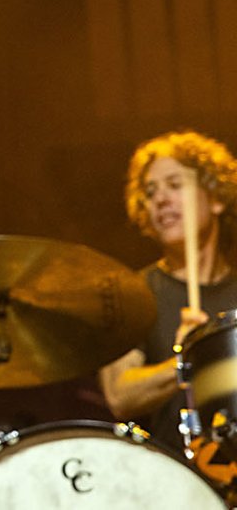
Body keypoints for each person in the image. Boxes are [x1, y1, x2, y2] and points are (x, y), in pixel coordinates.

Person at [98, 130, 237, 452]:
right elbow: (119, 395)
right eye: (151, 191)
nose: (160, 199)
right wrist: (184, 358)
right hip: (175, 481)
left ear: (216, 198)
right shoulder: (133, 295)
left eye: (175, 185)